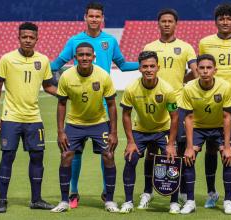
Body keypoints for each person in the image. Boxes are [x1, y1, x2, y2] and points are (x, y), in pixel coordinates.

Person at [51, 2, 139, 208]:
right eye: (91, 16)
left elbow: (124, 65)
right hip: (80, 107)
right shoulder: (75, 41)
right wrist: (44, 79)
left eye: (98, 16)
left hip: (103, 107)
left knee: (106, 152)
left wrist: (143, 65)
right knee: (75, 153)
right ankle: (73, 192)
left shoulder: (110, 41)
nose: (94, 19)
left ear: (102, 19)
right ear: (85, 18)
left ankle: (105, 192)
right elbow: (55, 65)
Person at [0, 22, 57, 213]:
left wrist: (66, 94)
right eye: (24, 37)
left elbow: (48, 86)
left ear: (37, 39)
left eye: (31, 37)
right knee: (8, 156)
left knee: (38, 157)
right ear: (18, 38)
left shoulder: (43, 60)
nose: (28, 40)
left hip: (34, 118)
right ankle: (2, 200)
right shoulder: (7, 59)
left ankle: (36, 199)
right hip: (11, 117)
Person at [51, 42, 119, 213]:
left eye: (88, 55)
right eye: (80, 55)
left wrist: (113, 132)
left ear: (93, 57)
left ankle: (109, 200)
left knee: (109, 155)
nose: (84, 58)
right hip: (75, 124)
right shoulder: (67, 76)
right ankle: (65, 200)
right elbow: (61, 104)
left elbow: (111, 104)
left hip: (99, 122)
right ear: (75, 58)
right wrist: (60, 131)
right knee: (66, 155)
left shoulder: (103, 76)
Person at [139, 8, 198, 208]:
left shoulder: (186, 47)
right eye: (163, 21)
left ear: (175, 24)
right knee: (151, 150)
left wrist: (183, 81)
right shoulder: (150, 46)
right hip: (154, 105)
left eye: (170, 21)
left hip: (179, 104)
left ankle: (179, 190)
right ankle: (147, 191)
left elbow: (196, 71)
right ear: (158, 24)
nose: (166, 24)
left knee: (179, 149)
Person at [198, 3, 231, 207]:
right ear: (216, 21)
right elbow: (202, 69)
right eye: (221, 18)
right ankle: (212, 192)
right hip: (211, 102)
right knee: (212, 148)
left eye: (229, 18)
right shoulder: (205, 43)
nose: (225, 22)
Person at [119, 51, 180, 214]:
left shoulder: (167, 89)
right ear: (139, 68)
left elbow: (174, 117)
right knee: (130, 158)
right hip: (141, 130)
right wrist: (130, 142)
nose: (149, 69)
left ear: (158, 68)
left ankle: (174, 202)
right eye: (145, 66)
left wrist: (171, 144)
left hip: (163, 130)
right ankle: (128, 202)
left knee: (172, 159)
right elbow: (125, 114)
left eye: (152, 66)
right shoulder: (131, 88)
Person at [180, 54, 231, 214]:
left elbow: (227, 117)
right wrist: (189, 147)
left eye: (208, 68)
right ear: (196, 69)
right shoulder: (189, 87)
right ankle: (190, 201)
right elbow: (188, 118)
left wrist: (227, 146)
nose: (205, 71)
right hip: (198, 127)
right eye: (201, 68)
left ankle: (228, 201)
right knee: (189, 158)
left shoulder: (225, 86)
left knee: (227, 158)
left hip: (218, 127)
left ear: (215, 70)